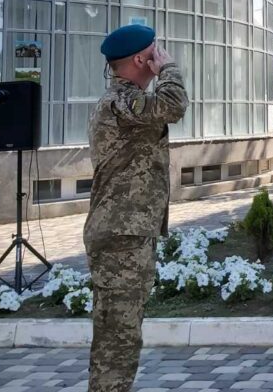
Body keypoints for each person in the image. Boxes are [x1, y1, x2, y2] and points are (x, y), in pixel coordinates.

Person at [83, 24, 188, 392]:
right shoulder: (122, 101)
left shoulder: (125, 101)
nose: (161, 57)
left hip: (125, 234)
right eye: (156, 52)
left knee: (120, 337)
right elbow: (173, 105)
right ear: (142, 59)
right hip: (120, 237)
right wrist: (170, 70)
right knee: (118, 342)